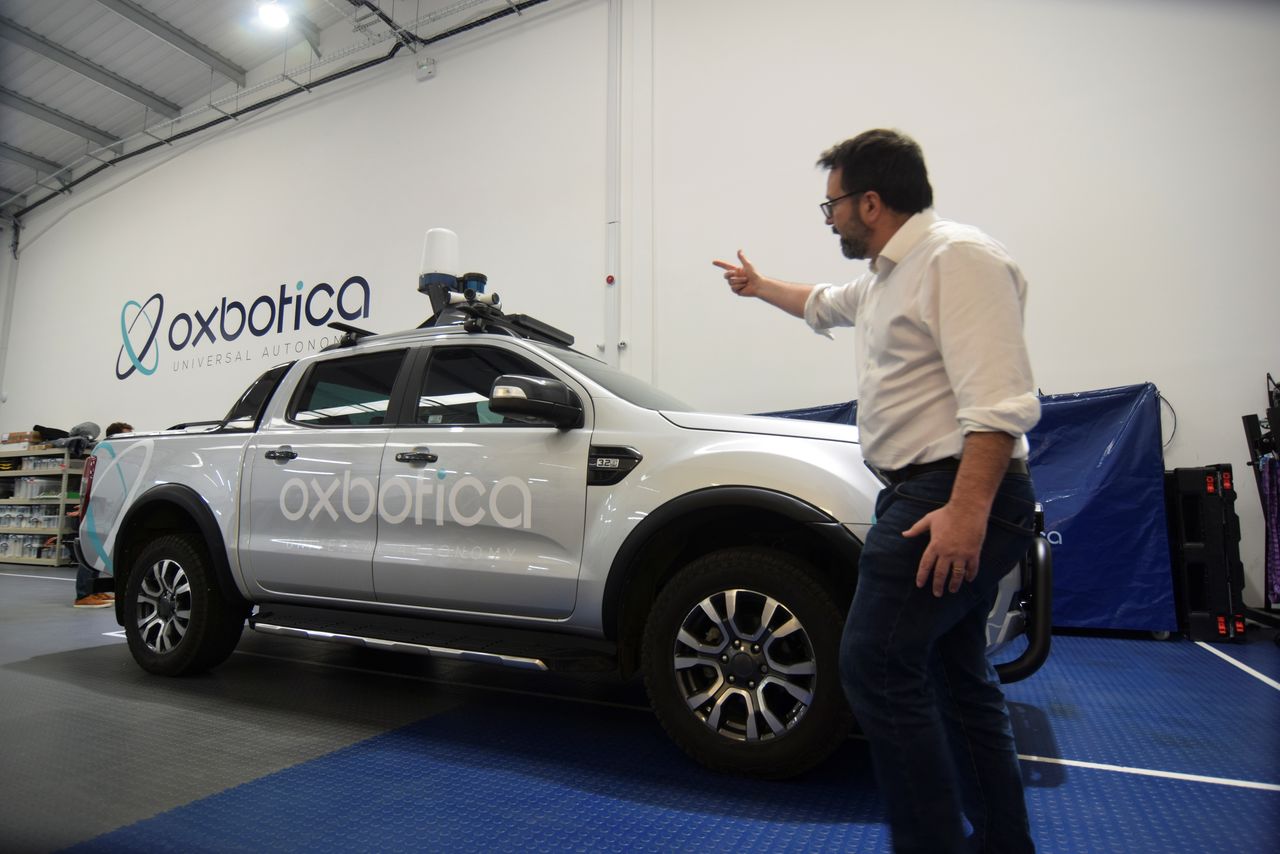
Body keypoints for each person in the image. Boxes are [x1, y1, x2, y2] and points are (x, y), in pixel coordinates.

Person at [713, 129, 1040, 853]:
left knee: (875, 664)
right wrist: (759, 286)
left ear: (869, 201)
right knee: (958, 682)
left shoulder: (957, 259)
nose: (827, 220)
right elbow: (825, 303)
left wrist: (966, 512)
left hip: (947, 495)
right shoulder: (891, 275)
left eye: (830, 207)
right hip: (919, 491)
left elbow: (999, 403)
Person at [72, 421, 132, 608]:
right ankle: (83, 595)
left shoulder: (119, 458)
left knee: (100, 548)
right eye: (127, 435)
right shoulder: (104, 455)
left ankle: (94, 591)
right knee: (92, 546)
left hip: (107, 507)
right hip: (97, 507)